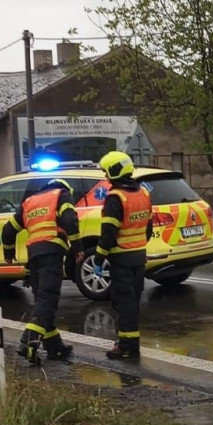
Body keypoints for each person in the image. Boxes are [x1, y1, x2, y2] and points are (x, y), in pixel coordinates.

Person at [0, 178, 82, 364]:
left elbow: (8, 230)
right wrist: (77, 248)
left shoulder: (30, 202)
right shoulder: (61, 195)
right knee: (48, 299)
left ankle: (54, 347)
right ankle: (28, 342)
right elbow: (69, 220)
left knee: (42, 300)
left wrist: (9, 253)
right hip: (52, 253)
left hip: (34, 256)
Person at [93, 151, 153, 360]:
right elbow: (148, 226)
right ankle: (130, 344)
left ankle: (126, 346)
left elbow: (108, 233)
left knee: (123, 302)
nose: (105, 176)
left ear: (114, 171)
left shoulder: (115, 197)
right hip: (139, 256)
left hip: (121, 258)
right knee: (133, 302)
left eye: (106, 172)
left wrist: (99, 258)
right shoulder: (143, 193)